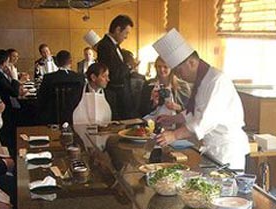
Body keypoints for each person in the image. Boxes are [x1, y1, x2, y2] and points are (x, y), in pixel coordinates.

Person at [152, 29, 250, 170]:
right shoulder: (201, 81)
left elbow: (204, 121)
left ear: (191, 63)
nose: (178, 76)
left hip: (226, 151)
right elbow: (194, 112)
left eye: (179, 71)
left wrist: (174, 135)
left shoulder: (216, 80)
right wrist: (173, 119)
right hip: (210, 148)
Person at [96, 15, 134, 119]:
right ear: (118, 30)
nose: (126, 37)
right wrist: (129, 66)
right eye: (126, 33)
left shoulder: (114, 45)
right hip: (116, 93)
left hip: (122, 92)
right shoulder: (105, 46)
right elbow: (113, 73)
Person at [38, 50, 85, 124]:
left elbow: (41, 98)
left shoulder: (48, 78)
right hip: (75, 116)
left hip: (52, 117)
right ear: (70, 61)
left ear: (56, 62)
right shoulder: (79, 78)